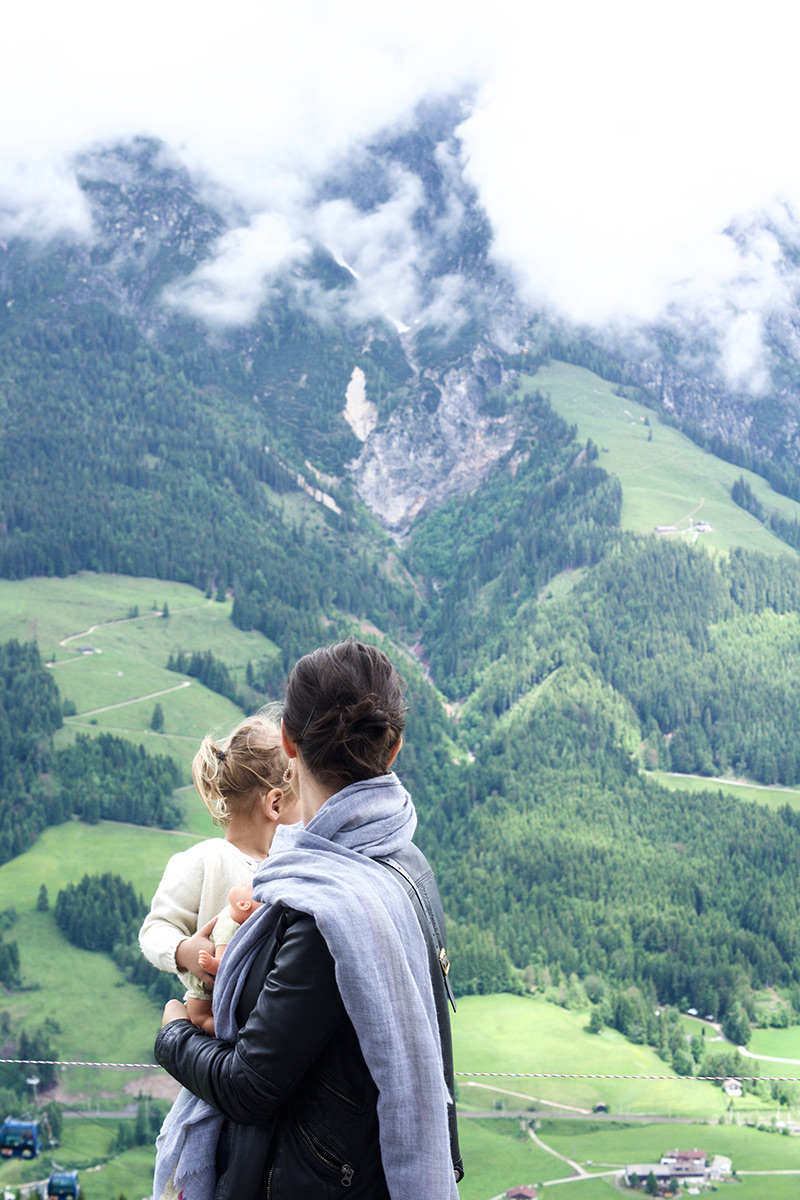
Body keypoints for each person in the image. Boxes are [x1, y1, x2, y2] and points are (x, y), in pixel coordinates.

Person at [154, 637, 463, 1200]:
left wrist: (173, 1032)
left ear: (289, 744)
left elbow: (249, 1086)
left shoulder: (321, 909)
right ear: (394, 749)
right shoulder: (409, 864)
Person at [138, 711, 298, 1022]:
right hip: (212, 1016)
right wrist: (185, 951)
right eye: (302, 802)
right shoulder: (206, 860)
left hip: (267, 1019)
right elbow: (154, 930)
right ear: (275, 804)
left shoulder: (290, 866)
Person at [190, 882, 264, 1034]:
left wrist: (210, 963)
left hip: (204, 985)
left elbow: (223, 967)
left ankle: (230, 1035)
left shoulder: (228, 928)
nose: (247, 883)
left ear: (243, 905)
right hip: (211, 981)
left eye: (248, 887)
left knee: (199, 1018)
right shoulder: (234, 916)